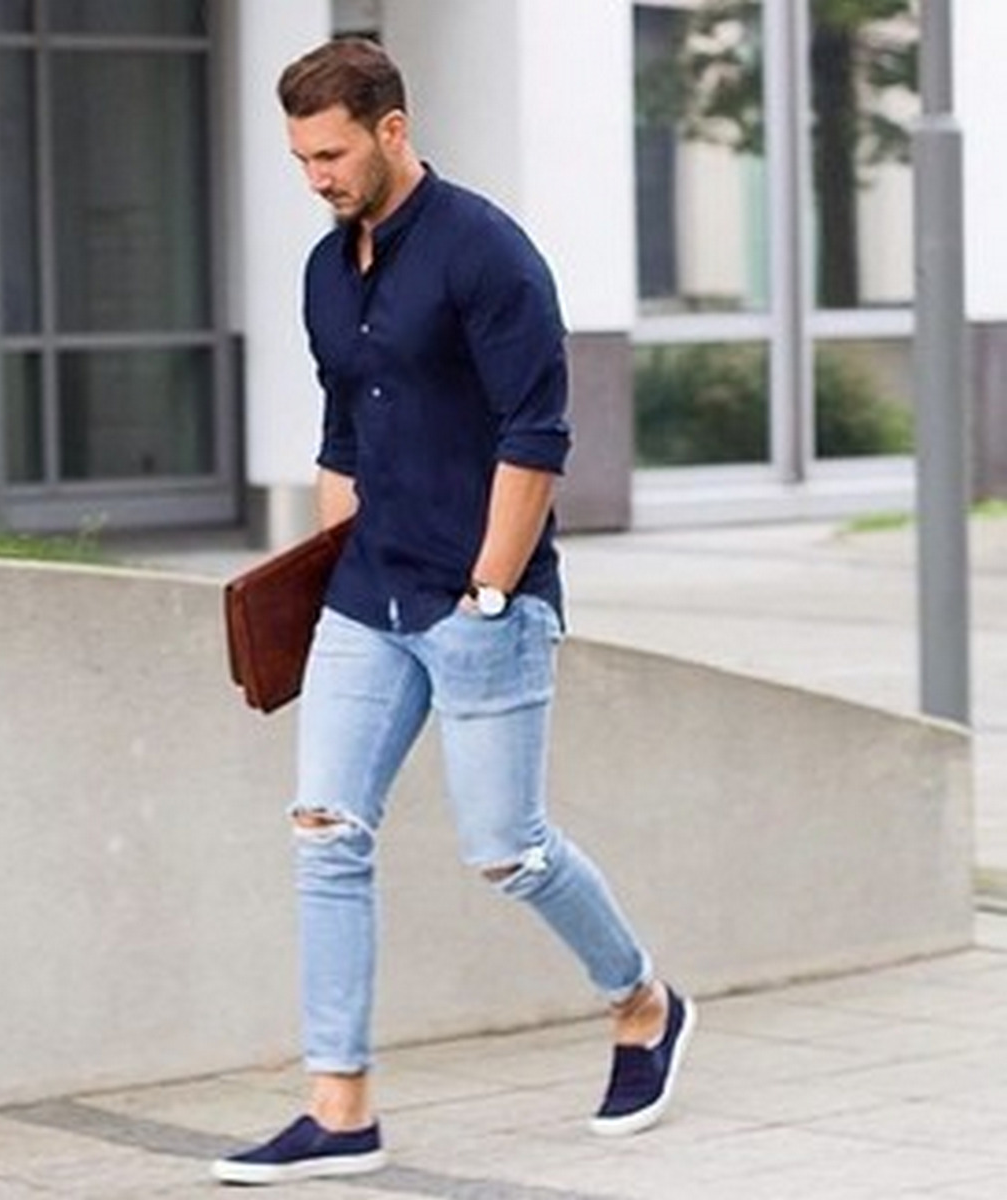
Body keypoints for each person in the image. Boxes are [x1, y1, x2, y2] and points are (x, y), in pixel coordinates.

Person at [211, 37, 694, 1187]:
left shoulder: (488, 254)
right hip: (367, 600)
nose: (316, 176)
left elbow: (537, 437)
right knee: (324, 833)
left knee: (507, 851)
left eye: (330, 153)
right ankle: (341, 1109)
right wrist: (324, 572)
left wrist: (487, 588)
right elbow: (342, 436)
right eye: (299, 158)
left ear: (391, 128)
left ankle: (644, 1004)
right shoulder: (329, 269)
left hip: (481, 604)